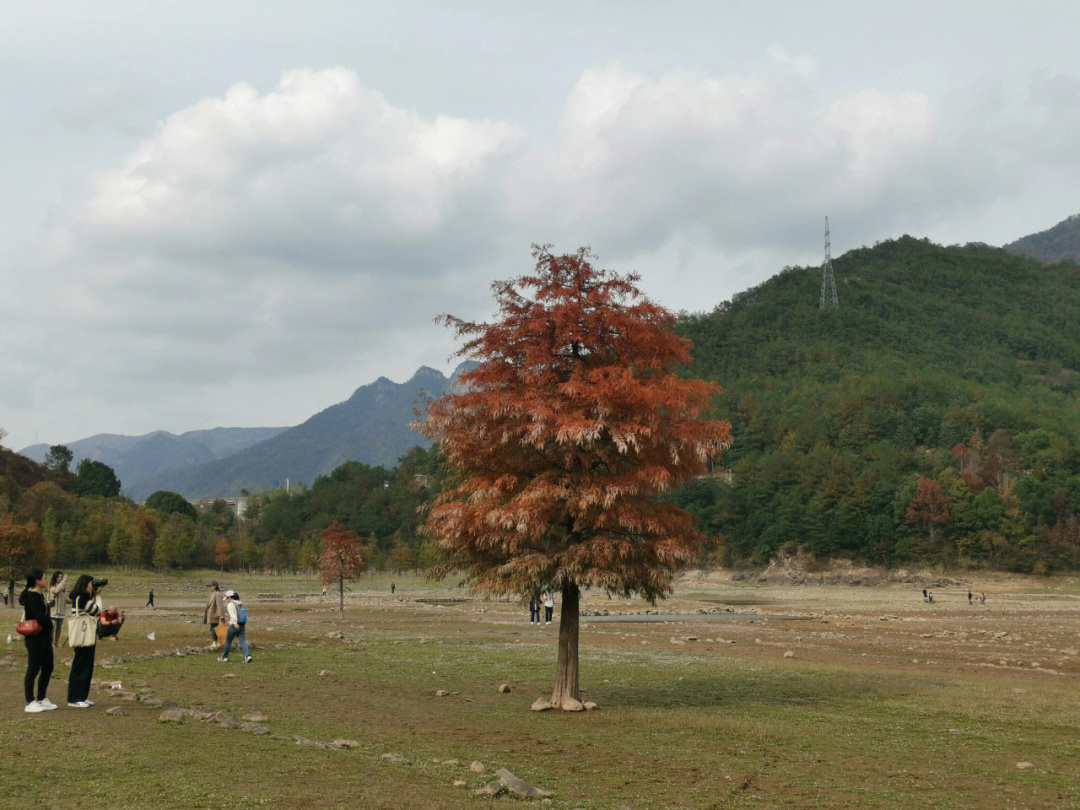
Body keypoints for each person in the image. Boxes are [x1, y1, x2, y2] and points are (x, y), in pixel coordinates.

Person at [19, 569, 56, 713]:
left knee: (48, 667)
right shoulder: (32, 597)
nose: (47, 580)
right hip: (35, 639)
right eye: (44, 578)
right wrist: (50, 623)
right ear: (37, 580)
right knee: (33, 669)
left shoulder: (40, 595)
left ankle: (42, 698)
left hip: (45, 638)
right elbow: (40, 617)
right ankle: (29, 701)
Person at [66, 575, 99, 708]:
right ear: (85, 584)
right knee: (80, 667)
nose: (93, 586)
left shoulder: (82, 598)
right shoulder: (82, 599)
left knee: (87, 666)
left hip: (86, 636)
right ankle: (75, 698)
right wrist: (99, 596)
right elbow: (97, 610)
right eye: (91, 583)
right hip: (83, 637)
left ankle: (82, 697)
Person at [218, 590, 251, 663]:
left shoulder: (230, 605)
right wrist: (229, 622)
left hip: (234, 626)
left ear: (229, 597)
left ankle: (224, 657)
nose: (226, 600)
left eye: (226, 598)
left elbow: (233, 616)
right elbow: (239, 615)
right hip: (241, 625)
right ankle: (248, 656)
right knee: (242, 641)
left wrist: (234, 623)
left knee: (228, 642)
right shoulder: (239, 604)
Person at [48, 571, 69, 648]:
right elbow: (56, 591)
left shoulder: (63, 587)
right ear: (55, 578)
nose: (60, 578)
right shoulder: (53, 587)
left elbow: (66, 599)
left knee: (59, 628)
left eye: (61, 577)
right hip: (54, 611)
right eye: (59, 577)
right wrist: (64, 582)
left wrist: (75, 601)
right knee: (52, 628)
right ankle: (50, 643)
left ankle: (56, 642)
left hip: (62, 611)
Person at [203, 581, 225, 648]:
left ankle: (215, 643)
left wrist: (221, 616)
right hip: (212, 615)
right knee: (212, 628)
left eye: (211, 586)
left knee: (213, 628)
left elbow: (220, 606)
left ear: (215, 586)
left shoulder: (217, 594)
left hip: (215, 615)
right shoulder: (213, 594)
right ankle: (215, 642)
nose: (210, 588)